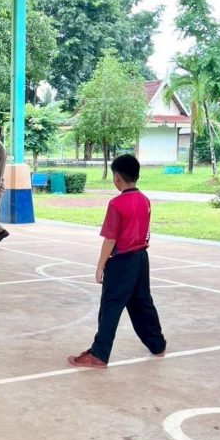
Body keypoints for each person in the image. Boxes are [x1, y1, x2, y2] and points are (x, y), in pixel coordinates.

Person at [68, 154, 167, 369]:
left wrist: (100, 266)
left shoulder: (116, 204)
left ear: (116, 177)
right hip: (141, 259)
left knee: (111, 306)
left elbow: (110, 239)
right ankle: (157, 344)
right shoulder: (144, 200)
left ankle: (99, 354)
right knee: (143, 303)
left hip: (121, 262)